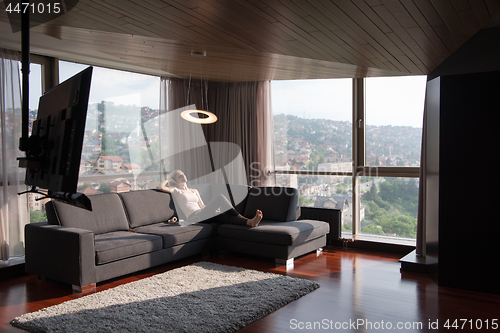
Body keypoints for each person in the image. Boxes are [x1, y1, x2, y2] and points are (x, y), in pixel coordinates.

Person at [157, 170, 263, 227]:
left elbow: (202, 206)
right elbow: (160, 187)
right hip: (194, 217)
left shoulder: (194, 190)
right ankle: (243, 218)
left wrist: (213, 209)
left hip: (203, 214)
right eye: (180, 176)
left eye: (183, 174)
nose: (183, 176)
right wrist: (168, 180)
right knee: (220, 197)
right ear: (175, 180)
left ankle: (250, 222)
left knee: (223, 216)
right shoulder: (177, 191)